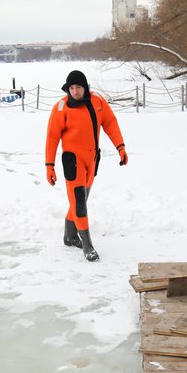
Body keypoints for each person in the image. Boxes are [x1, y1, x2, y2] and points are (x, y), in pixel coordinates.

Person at [45, 70, 128, 261]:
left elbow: (110, 124)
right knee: (79, 203)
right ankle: (87, 245)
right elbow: (51, 137)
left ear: (86, 87)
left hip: (92, 160)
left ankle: (69, 235)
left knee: (81, 198)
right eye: (71, 88)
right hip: (73, 161)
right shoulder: (61, 108)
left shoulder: (98, 101)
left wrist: (120, 147)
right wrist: (49, 165)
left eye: (78, 87)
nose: (74, 92)